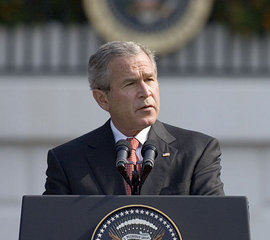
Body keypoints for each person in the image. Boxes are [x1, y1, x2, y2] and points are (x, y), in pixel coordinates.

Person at [43, 41, 224, 195]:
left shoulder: (197, 152)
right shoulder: (68, 160)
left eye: (149, 79)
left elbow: (216, 223)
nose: (146, 92)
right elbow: (51, 230)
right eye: (130, 83)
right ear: (103, 99)